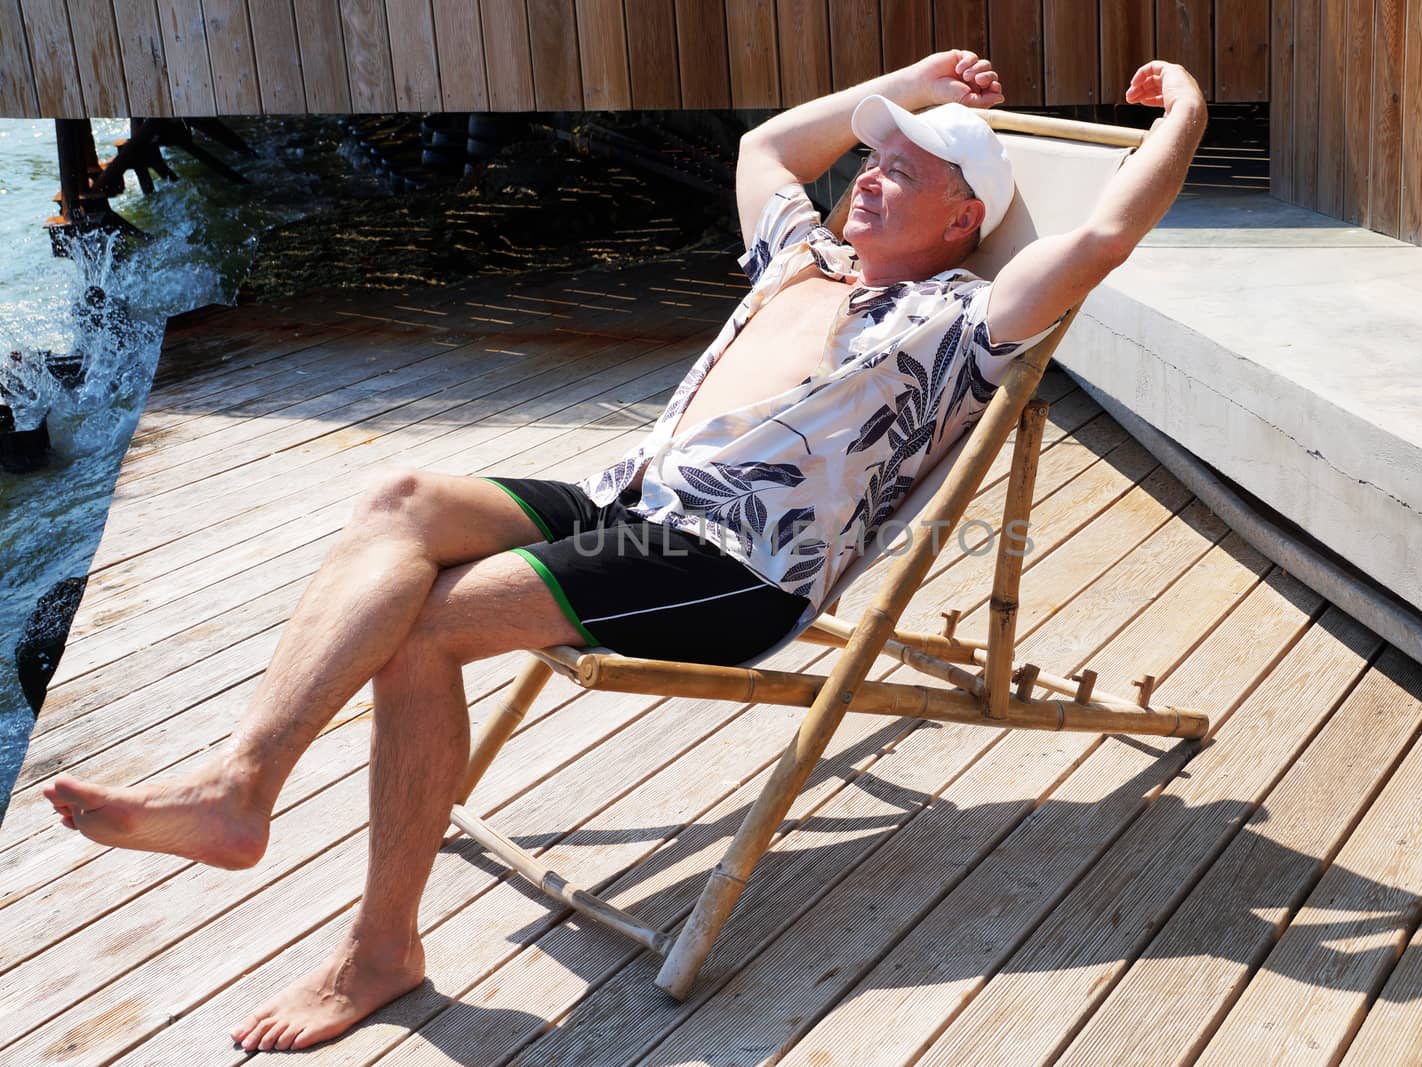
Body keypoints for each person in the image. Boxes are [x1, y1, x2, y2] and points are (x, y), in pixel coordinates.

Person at [43, 50, 1206, 1051]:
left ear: (964, 220)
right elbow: (766, 148)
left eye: (906, 169)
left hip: (734, 567)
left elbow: (1104, 233)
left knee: (428, 618)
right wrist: (902, 89)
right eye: (874, 159)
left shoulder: (963, 319)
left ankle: (375, 946)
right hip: (629, 501)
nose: (871, 177)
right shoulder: (800, 255)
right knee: (401, 496)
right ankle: (241, 783)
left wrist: (1186, 117)